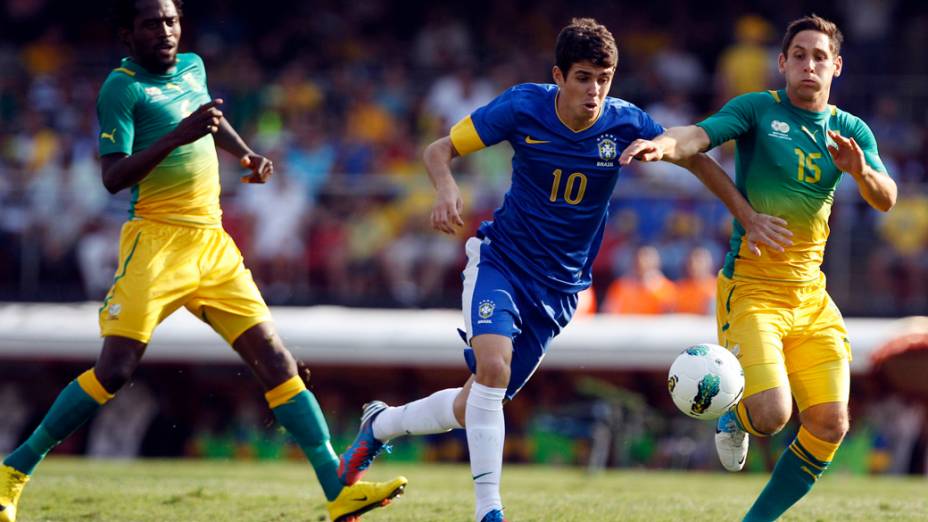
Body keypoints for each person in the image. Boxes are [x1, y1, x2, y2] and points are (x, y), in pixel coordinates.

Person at [336, 18, 790, 522]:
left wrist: (745, 215)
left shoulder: (626, 123)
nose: (594, 90)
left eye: (604, 78)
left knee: (476, 404)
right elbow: (437, 149)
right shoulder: (521, 106)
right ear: (559, 75)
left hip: (560, 290)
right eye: (583, 77)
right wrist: (446, 188)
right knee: (493, 369)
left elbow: (697, 159)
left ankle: (381, 425)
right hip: (502, 262)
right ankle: (490, 512)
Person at [0, 2, 406, 521]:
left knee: (277, 361)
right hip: (156, 243)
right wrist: (178, 135)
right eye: (151, 23)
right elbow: (113, 176)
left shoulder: (192, 66)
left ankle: (337, 489)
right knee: (115, 370)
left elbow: (211, 120)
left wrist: (245, 155)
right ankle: (14, 471)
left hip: (212, 243)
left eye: (170, 20)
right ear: (128, 35)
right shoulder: (120, 89)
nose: (164, 31)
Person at [618, 14, 897, 521]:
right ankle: (733, 414)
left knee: (831, 424)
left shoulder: (850, 130)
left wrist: (860, 172)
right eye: (800, 55)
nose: (809, 65)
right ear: (783, 63)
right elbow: (699, 137)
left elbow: (887, 197)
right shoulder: (757, 110)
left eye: (820, 57)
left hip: (811, 298)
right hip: (751, 290)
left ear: (836, 66)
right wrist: (665, 146)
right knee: (770, 416)